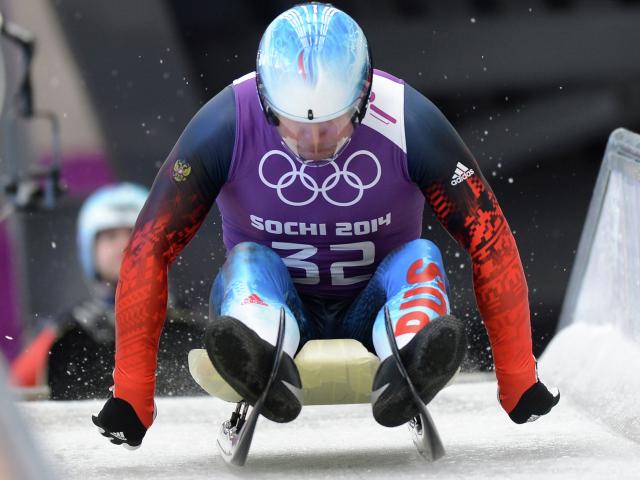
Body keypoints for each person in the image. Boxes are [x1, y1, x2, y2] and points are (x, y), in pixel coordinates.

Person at [93, 3, 559, 448]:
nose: (314, 141)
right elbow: (150, 245)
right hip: (275, 298)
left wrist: (518, 380)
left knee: (423, 257)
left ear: (363, 99)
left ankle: (409, 351)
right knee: (248, 261)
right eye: (294, 125)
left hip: (373, 305)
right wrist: (132, 396)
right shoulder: (225, 123)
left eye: (333, 124)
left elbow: (488, 235)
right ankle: (262, 346)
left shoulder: (408, 119)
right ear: (266, 103)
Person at [10, 183, 204, 399]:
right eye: (110, 236)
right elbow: (10, 398)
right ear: (89, 249)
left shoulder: (191, 327)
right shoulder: (63, 336)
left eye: (134, 234)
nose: (123, 245)